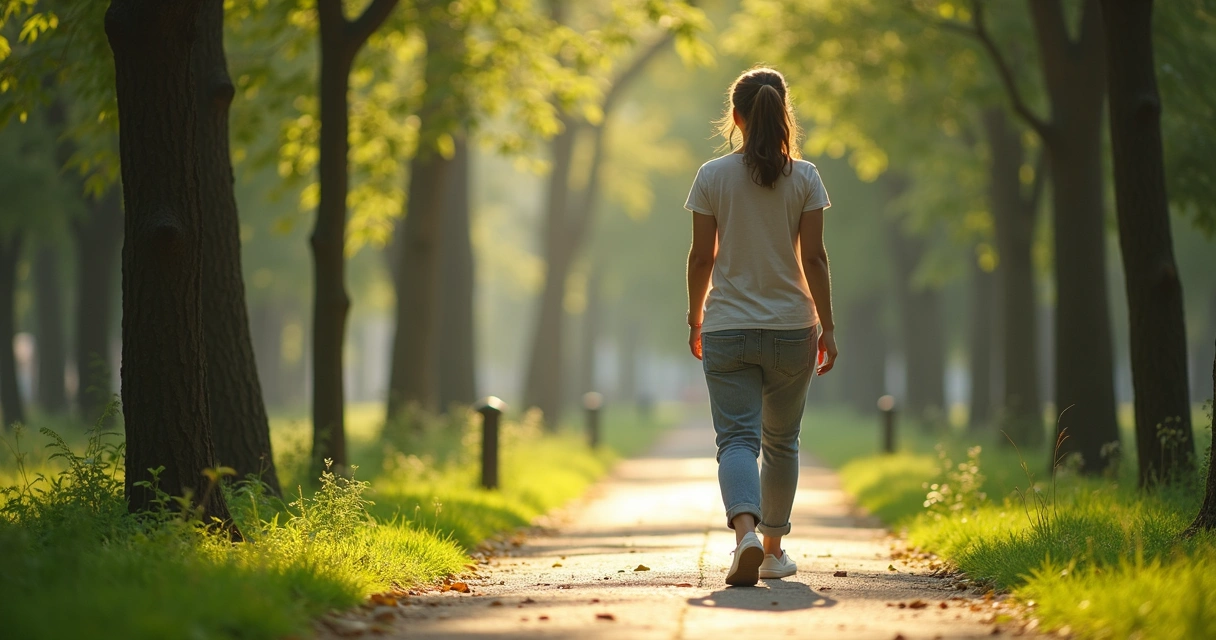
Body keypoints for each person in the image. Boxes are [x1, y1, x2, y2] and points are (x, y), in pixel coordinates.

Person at [684, 67, 838, 587]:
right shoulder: (807, 177)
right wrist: (830, 329)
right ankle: (772, 550)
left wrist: (695, 317)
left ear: (736, 116)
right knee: (782, 442)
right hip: (794, 329)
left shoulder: (711, 176)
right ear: (782, 113)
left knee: (736, 441)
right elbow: (815, 259)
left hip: (727, 327)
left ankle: (744, 533)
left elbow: (701, 258)